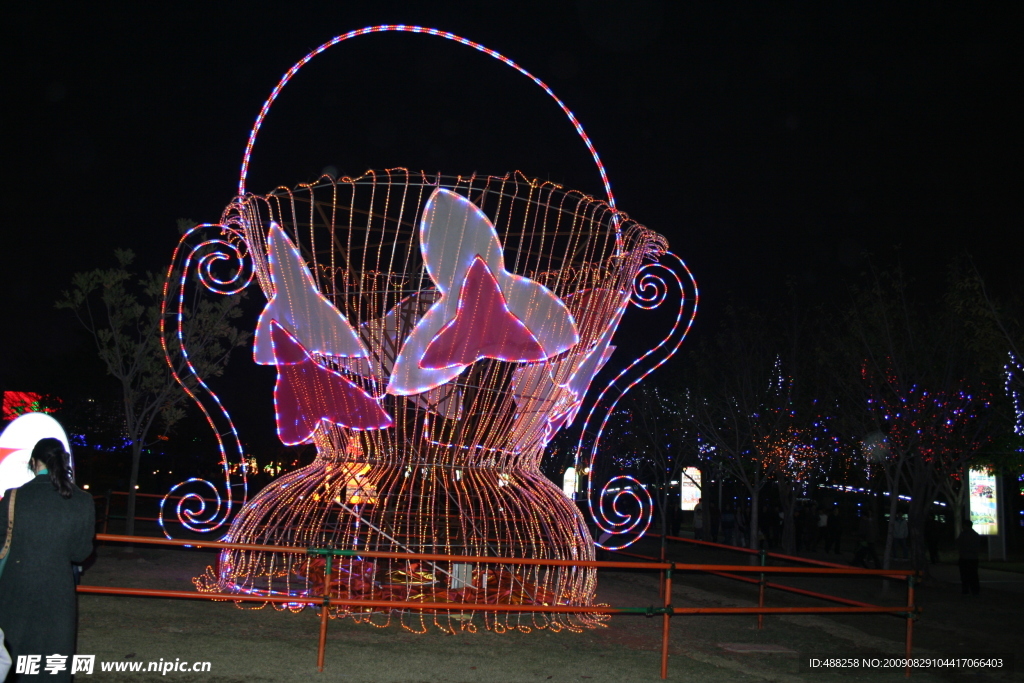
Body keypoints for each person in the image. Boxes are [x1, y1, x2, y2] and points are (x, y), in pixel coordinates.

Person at [0, 438, 95, 682]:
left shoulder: (13, 498)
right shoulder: (82, 500)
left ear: (34, 462)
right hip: (56, 589)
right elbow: (80, 553)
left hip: (14, 587)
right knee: (53, 655)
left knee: (14, 652)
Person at [956, 519, 981, 596]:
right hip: (973, 558)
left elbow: (958, 543)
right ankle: (975, 590)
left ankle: (965, 590)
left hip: (965, 558)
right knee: (973, 575)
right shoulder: (975, 535)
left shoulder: (963, 535)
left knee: (964, 575)